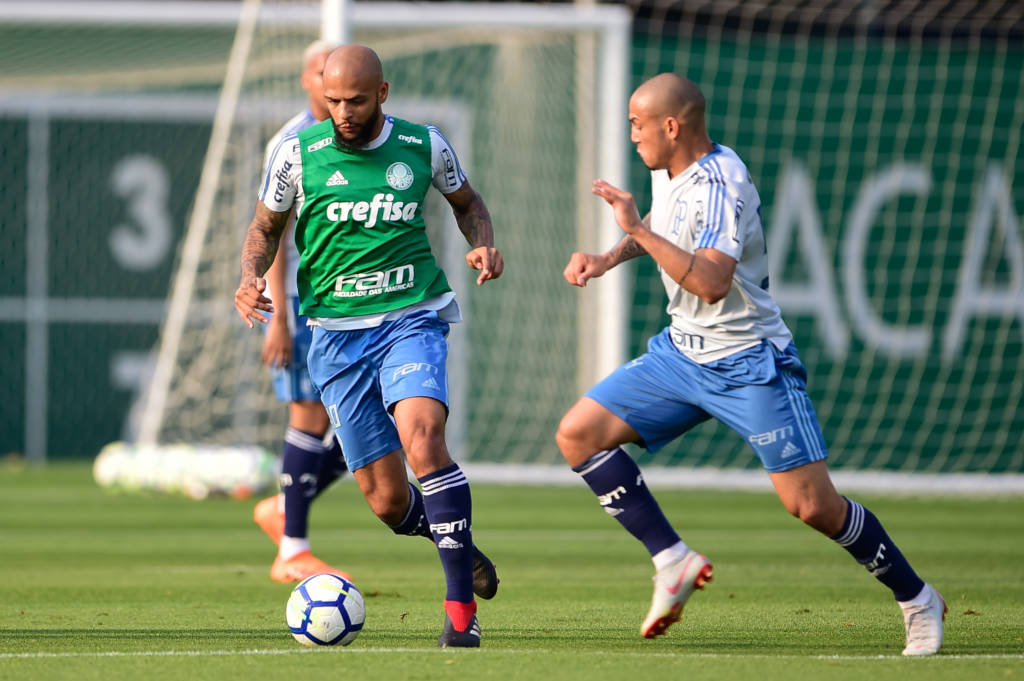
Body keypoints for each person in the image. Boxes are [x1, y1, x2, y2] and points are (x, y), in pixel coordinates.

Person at [557, 73, 945, 656]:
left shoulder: (721, 185)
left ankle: (918, 599)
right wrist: (610, 256)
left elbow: (712, 282)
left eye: (638, 123)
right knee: (578, 435)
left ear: (671, 126)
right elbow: (665, 233)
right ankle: (673, 561)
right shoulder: (669, 169)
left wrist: (634, 226)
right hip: (683, 352)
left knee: (812, 506)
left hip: (749, 361)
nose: (631, 134)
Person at [234, 44, 502, 648]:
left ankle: (460, 610)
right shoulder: (295, 153)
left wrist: (482, 241)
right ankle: (450, 536)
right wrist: (250, 276)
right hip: (333, 337)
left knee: (424, 438)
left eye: (355, 100)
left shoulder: (423, 145)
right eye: (332, 101)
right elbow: (264, 228)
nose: (343, 112)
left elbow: (468, 203)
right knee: (385, 502)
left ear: (381, 93)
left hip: (412, 317)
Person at [251, 39, 351, 585]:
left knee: (382, 422)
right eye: (321, 71)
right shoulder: (290, 143)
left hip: (351, 304)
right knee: (309, 417)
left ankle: (282, 511)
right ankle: (292, 545)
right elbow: (274, 236)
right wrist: (280, 320)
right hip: (300, 302)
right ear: (307, 80)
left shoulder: (359, 140)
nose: (332, 82)